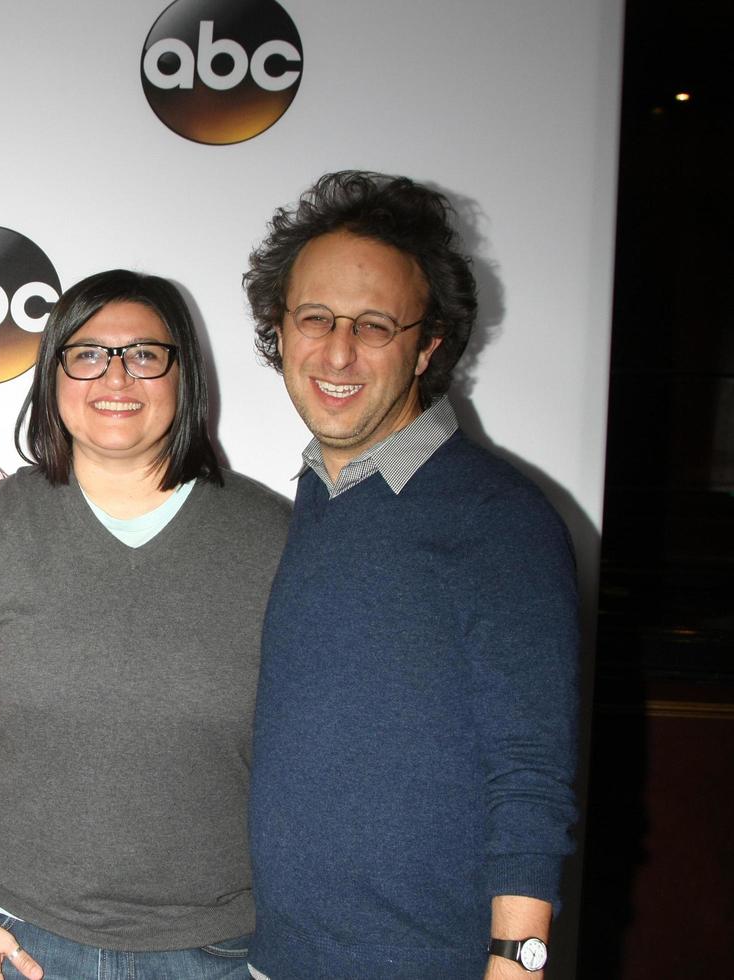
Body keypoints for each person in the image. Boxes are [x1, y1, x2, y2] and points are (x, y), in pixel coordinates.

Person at [0, 269, 291, 980]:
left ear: (183, 372)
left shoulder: (275, 541)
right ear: (53, 374)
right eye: (88, 353)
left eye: (144, 353)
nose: (116, 376)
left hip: (215, 952)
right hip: (15, 944)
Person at [241, 171, 580, 980]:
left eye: (375, 325)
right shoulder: (316, 503)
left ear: (428, 346)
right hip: (279, 962)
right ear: (279, 332)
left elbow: (532, 775)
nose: (337, 351)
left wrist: (518, 963)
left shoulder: (499, 518)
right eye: (314, 318)